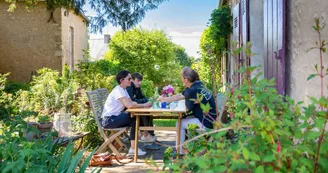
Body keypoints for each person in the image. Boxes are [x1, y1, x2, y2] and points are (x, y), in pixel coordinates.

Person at [158, 67, 216, 155]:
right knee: (184, 119)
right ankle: (183, 148)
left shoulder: (192, 91)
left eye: (181, 78)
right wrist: (165, 99)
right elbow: (180, 96)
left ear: (186, 80)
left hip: (206, 123)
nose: (181, 79)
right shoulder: (199, 85)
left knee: (179, 123)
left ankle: (179, 152)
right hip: (212, 120)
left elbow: (187, 109)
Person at [101, 70, 153, 156]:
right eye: (129, 79)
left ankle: (134, 147)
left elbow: (132, 103)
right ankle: (144, 136)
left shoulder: (123, 90)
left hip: (114, 118)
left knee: (134, 118)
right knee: (135, 117)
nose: (131, 80)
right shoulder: (118, 90)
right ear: (122, 80)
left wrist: (135, 104)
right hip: (109, 120)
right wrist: (144, 104)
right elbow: (130, 105)